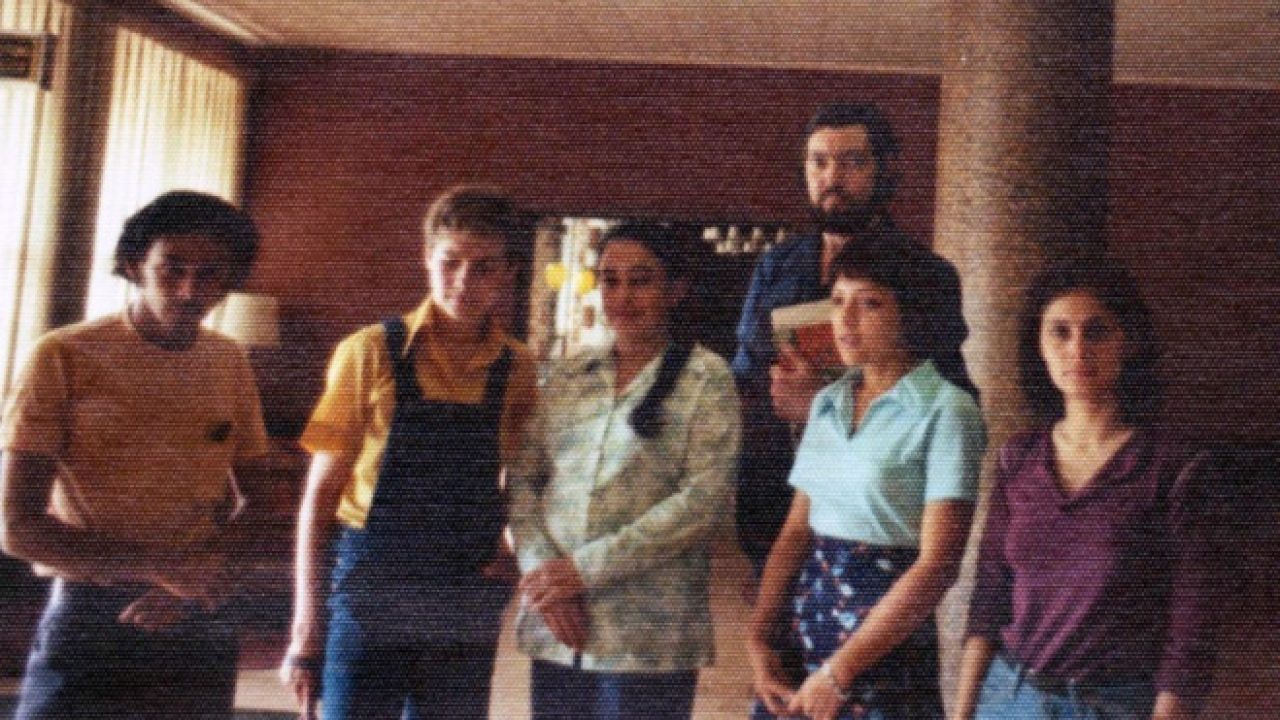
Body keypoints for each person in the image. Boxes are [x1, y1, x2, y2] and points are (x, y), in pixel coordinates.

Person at [0, 191, 268, 719]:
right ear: (133, 265)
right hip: (93, 613)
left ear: (230, 280)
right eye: (172, 269)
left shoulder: (228, 360)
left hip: (197, 610)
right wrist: (163, 568)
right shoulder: (63, 355)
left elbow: (260, 502)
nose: (190, 291)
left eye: (209, 274)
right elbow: (16, 526)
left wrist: (195, 579)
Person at [280, 186, 538, 720]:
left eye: (484, 267)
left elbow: (525, 480)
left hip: (463, 592)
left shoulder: (518, 368)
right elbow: (319, 499)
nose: (464, 281)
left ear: (508, 272)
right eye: (450, 262)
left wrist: (513, 553)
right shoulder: (368, 352)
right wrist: (306, 631)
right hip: (371, 585)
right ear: (426, 258)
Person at [953, 259, 1221, 720]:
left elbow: (1191, 632)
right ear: (1039, 345)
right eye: (1060, 332)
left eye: (1096, 332)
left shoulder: (1174, 469)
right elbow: (990, 596)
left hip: (1111, 706)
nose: (1077, 349)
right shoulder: (1018, 458)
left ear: (1129, 343)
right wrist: (962, 712)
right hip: (1006, 698)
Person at [746, 237, 986, 720]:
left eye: (869, 303)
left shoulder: (947, 410)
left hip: (882, 649)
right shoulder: (828, 401)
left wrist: (841, 672)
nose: (846, 319)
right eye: (838, 301)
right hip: (803, 639)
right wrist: (759, 639)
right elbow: (795, 533)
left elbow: (939, 564)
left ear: (911, 314)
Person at [509, 222, 740, 720]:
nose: (622, 297)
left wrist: (580, 571)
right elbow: (525, 480)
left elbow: (702, 502)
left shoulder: (707, 379)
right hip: (558, 622)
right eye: (610, 280)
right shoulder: (570, 374)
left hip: (647, 634)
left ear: (676, 290)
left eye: (641, 280)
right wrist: (543, 575)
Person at [732, 102, 970, 575]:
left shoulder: (926, 274)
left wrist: (822, 405)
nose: (832, 177)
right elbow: (744, 374)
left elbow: (948, 396)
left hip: (871, 520)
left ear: (886, 169)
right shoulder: (776, 265)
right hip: (772, 504)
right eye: (818, 162)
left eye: (852, 162)